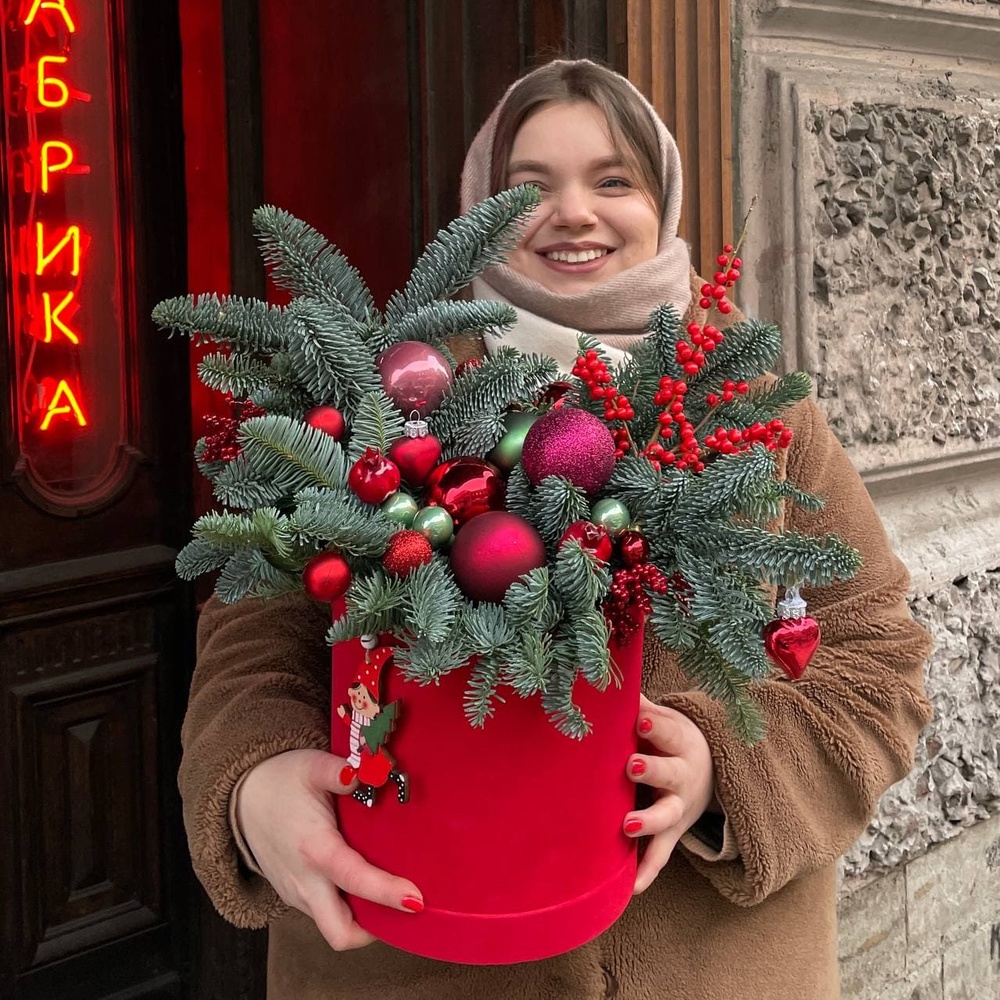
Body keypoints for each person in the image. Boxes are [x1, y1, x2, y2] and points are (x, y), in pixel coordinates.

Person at [178, 59, 933, 1000]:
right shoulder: (385, 402)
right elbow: (253, 642)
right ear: (476, 217)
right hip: (412, 964)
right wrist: (253, 789)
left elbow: (878, 658)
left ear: (662, 202)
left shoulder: (756, 407)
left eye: (613, 180)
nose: (573, 212)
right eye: (528, 187)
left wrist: (721, 775)